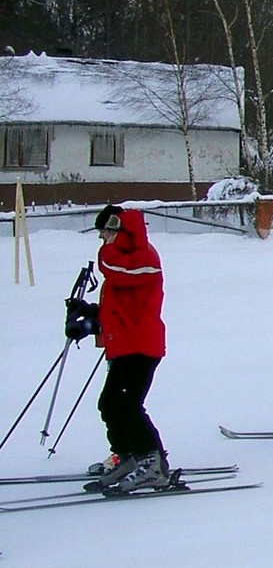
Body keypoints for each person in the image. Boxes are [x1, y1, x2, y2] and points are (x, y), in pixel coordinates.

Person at [81, 205, 170, 490]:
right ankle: (128, 455)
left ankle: (152, 462)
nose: (102, 239)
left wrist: (107, 250)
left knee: (128, 404)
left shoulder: (142, 256)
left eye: (105, 232)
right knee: (109, 403)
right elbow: (122, 305)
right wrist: (91, 316)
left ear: (118, 229)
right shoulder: (125, 258)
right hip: (125, 343)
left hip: (141, 344)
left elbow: (119, 272)